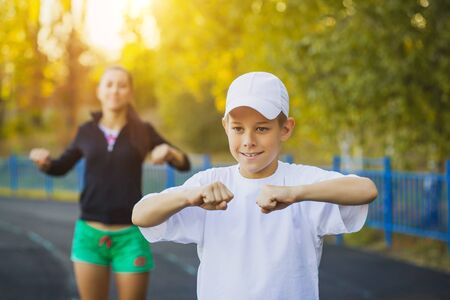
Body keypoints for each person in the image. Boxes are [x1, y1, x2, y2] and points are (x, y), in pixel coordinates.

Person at [132, 71, 378, 300]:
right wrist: (189, 196)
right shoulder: (207, 185)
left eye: (261, 128)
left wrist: (295, 193)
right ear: (225, 127)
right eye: (238, 129)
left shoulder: (300, 182)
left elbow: (366, 190)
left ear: (285, 129)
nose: (248, 141)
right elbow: (140, 215)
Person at [29, 66, 191, 300]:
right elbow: (61, 166)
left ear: (130, 92)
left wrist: (170, 152)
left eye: (122, 85)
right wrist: (44, 162)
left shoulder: (143, 131)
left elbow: (183, 164)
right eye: (109, 84)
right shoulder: (86, 131)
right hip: (89, 235)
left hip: (131, 235)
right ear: (99, 91)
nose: (115, 90)